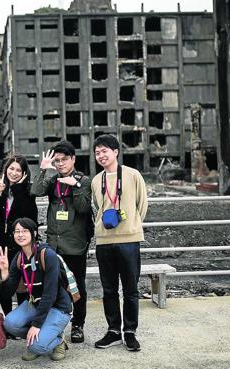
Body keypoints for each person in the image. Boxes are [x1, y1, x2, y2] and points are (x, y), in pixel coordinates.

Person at [31, 140, 92, 343]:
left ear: (73, 159)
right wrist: (43, 170)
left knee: (78, 286)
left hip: (75, 244)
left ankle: (78, 325)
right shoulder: (53, 179)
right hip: (54, 243)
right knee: (54, 285)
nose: (60, 164)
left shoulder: (83, 180)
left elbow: (83, 208)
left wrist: (74, 186)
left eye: (64, 159)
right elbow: (37, 191)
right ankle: (56, 325)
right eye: (57, 161)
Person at [91, 134, 148, 351]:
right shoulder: (97, 180)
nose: (101, 155)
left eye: (105, 151)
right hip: (104, 241)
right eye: (97, 152)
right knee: (109, 289)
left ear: (116, 152)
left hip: (129, 240)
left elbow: (142, 205)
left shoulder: (133, 175)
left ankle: (130, 331)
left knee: (131, 289)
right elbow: (98, 206)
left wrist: (131, 226)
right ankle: (113, 330)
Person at [0, 218, 73, 362]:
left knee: (37, 346)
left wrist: (36, 325)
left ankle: (58, 340)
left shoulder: (47, 255)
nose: (20, 235)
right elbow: (7, 293)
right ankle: (40, 339)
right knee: (9, 323)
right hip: (36, 304)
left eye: (24, 231)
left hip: (58, 307)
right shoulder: (19, 258)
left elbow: (50, 294)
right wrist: (4, 273)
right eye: (17, 231)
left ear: (34, 233)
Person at [0, 154, 38, 318]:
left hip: (20, 245)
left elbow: (30, 217)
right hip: (1, 245)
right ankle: (9, 319)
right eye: (11, 168)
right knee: (4, 288)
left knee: (21, 287)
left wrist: (18, 189)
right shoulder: (0, 187)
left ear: (24, 173)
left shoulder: (28, 192)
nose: (14, 172)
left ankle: (20, 320)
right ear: (5, 169)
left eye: (19, 170)